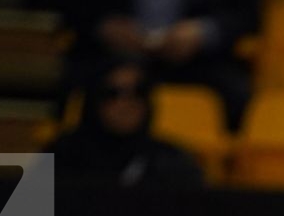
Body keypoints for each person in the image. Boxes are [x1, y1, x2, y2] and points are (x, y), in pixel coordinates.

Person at [59, 0, 260, 132]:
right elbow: (68, 7)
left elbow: (247, 15)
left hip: (198, 59)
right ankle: (60, 176)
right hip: (110, 55)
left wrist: (203, 32)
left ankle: (229, 177)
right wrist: (103, 25)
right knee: (70, 83)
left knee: (237, 91)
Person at [49, 58, 206, 189]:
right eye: (112, 93)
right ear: (93, 101)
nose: (126, 103)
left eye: (139, 92)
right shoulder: (62, 157)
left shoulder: (172, 163)